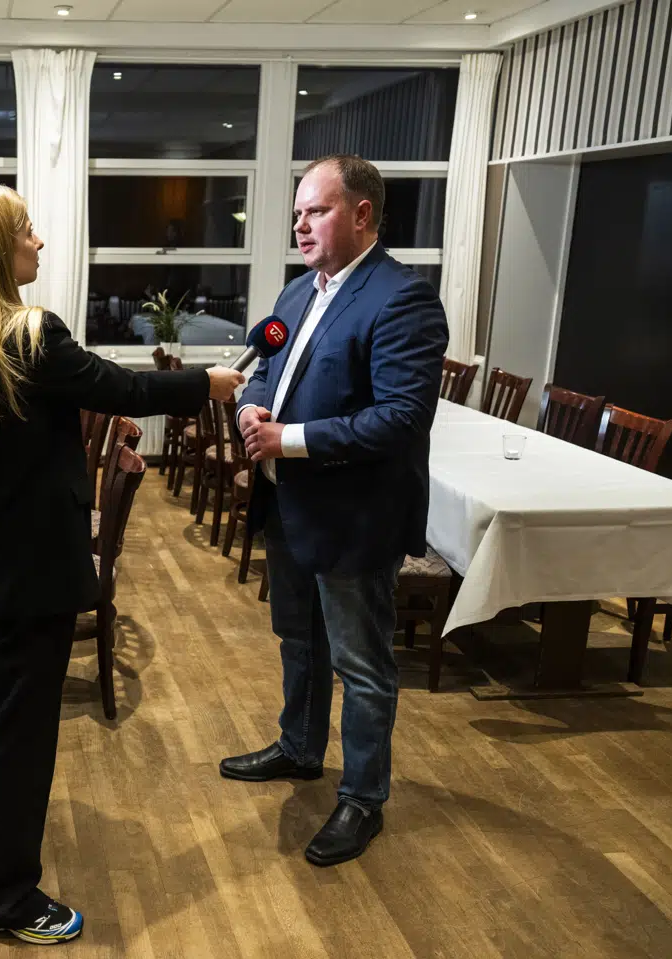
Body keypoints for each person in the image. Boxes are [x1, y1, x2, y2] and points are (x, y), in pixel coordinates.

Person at [0, 183, 244, 944]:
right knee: (23, 730)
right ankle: (0, 895)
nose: (39, 241)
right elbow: (122, 386)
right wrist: (208, 384)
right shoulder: (30, 335)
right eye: (28, 230)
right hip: (37, 564)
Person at [219, 155, 448, 867]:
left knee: (363, 663)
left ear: (362, 214)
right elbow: (262, 370)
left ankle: (363, 796)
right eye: (297, 213)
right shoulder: (296, 294)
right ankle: (299, 748)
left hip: (355, 515)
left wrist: (289, 438)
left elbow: (401, 418)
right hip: (291, 506)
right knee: (299, 640)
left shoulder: (401, 297)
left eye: (314, 211)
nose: (300, 224)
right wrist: (249, 404)